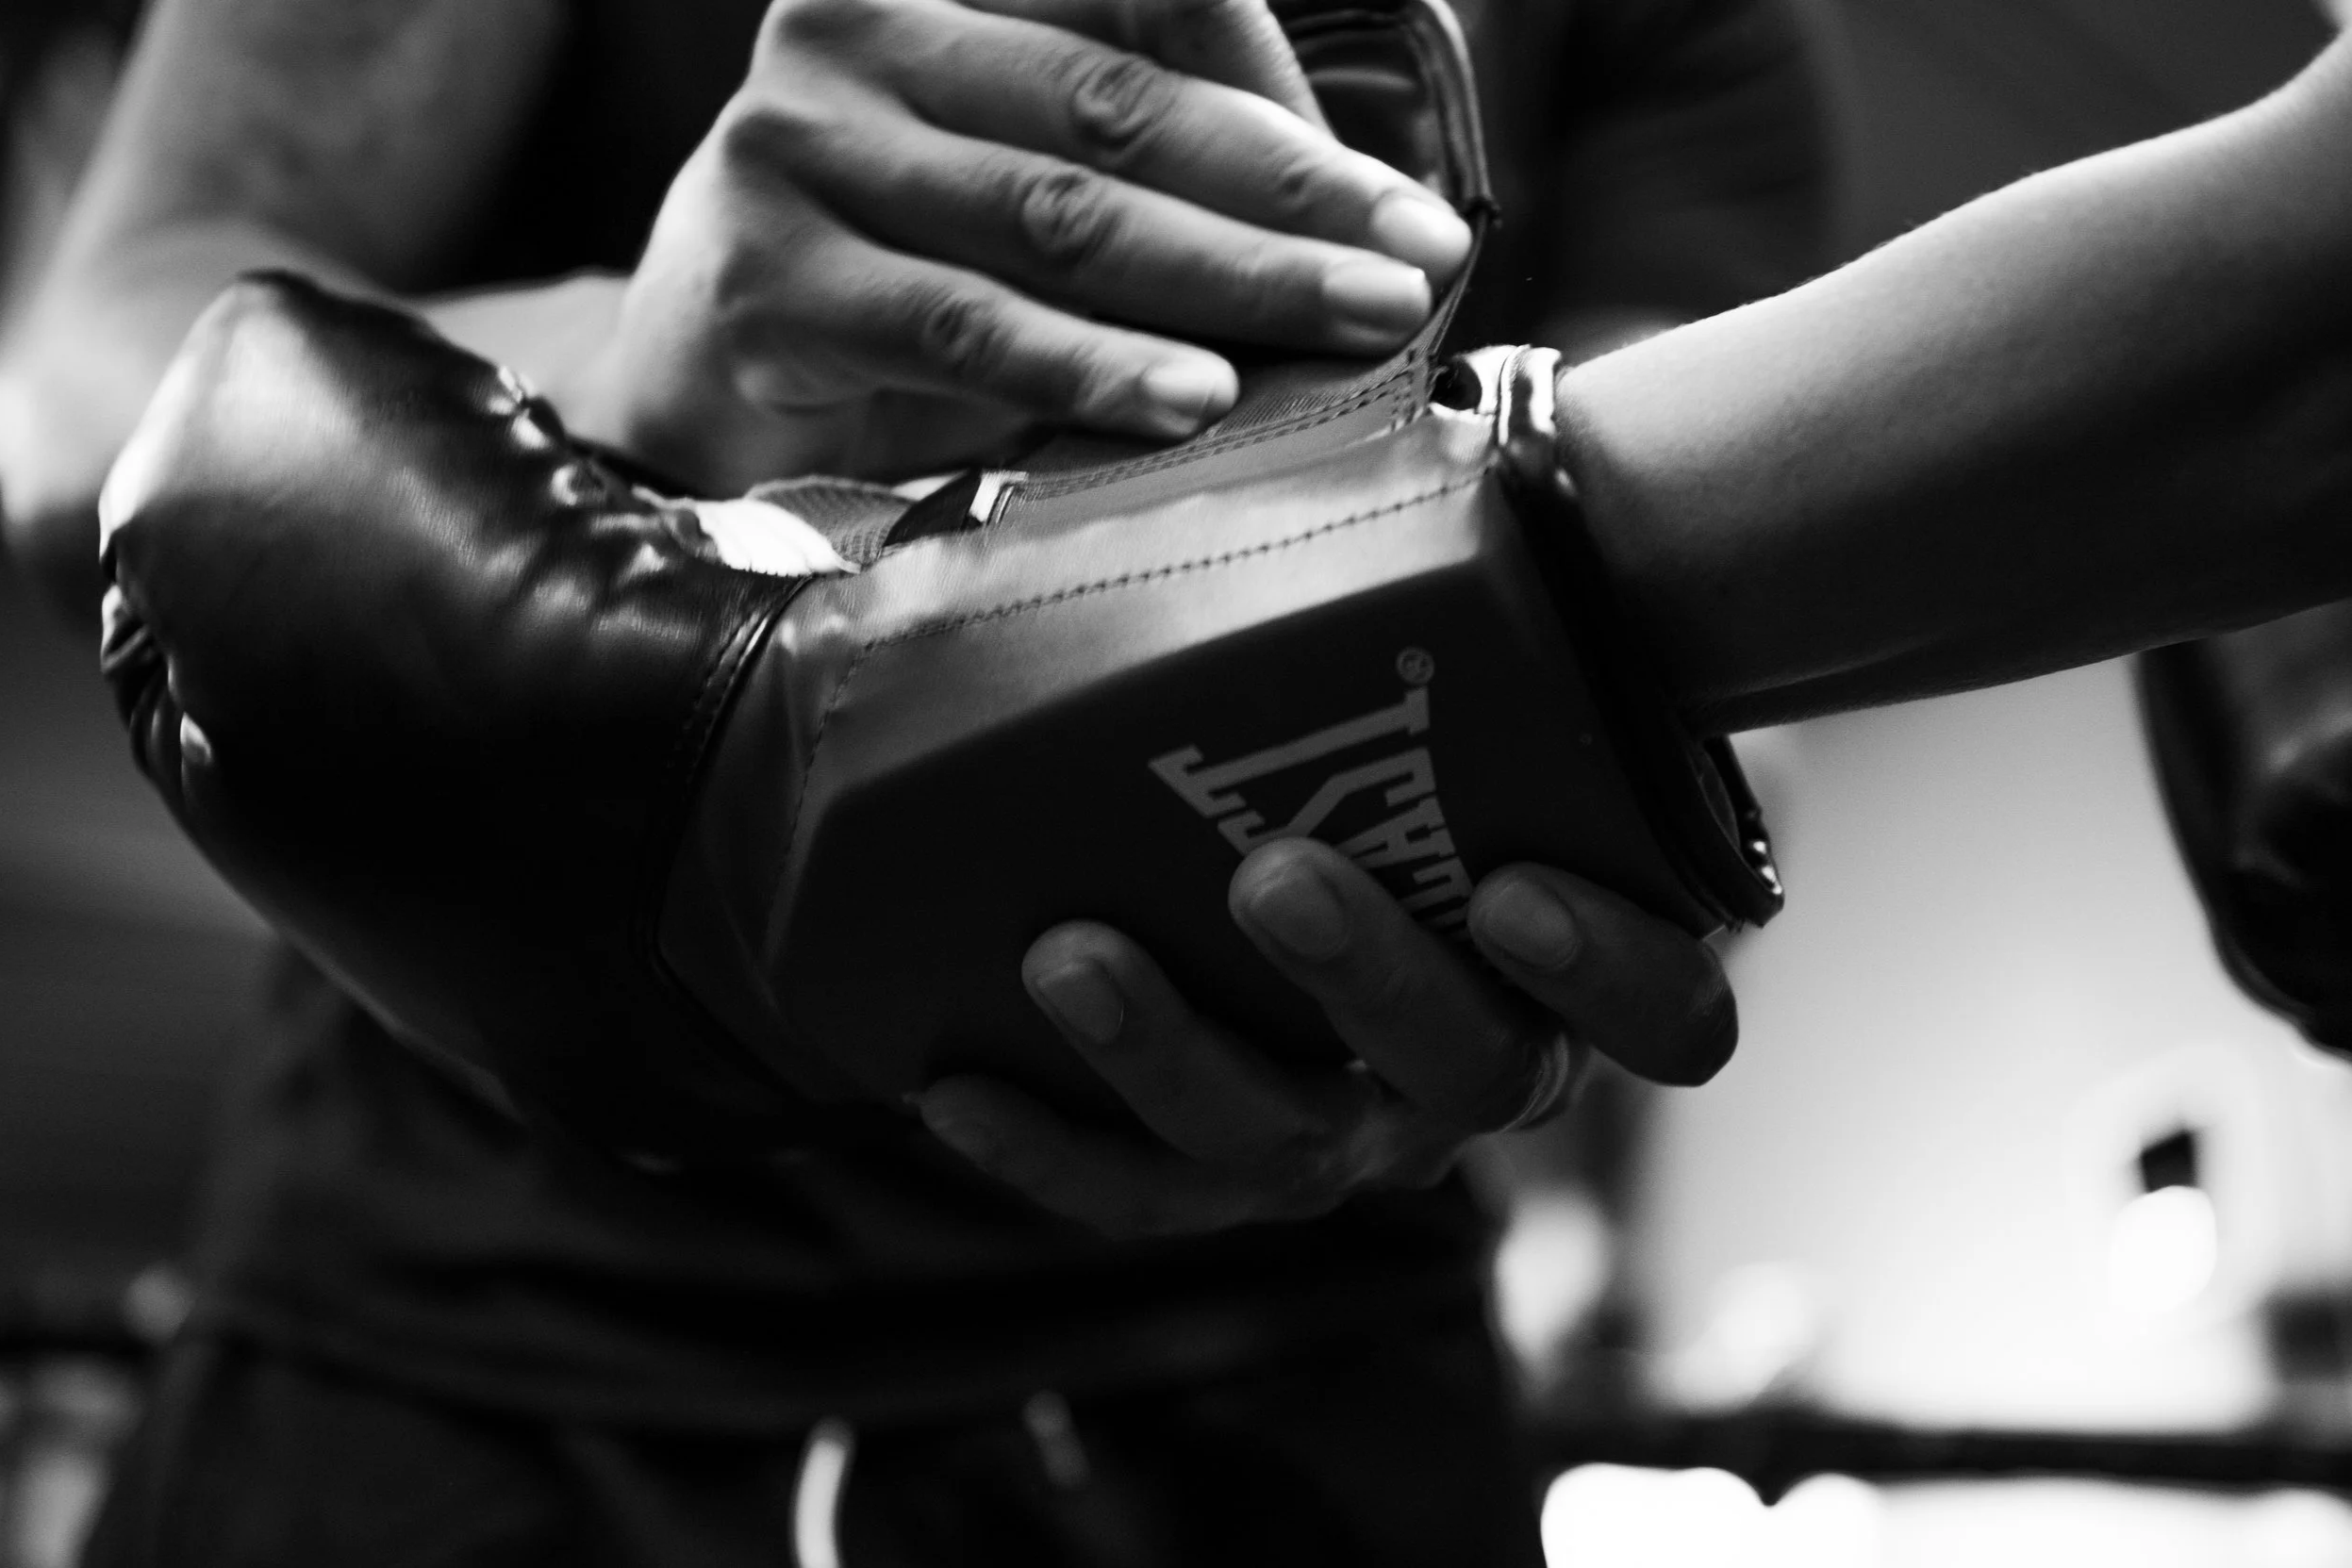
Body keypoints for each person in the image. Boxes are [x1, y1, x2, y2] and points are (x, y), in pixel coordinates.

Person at [0, 0, 1832, 1562]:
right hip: (457, 1336)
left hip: (1289, 1367)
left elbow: (1724, 659)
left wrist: (1587, 861)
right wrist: (652, 362)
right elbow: (93, 381)